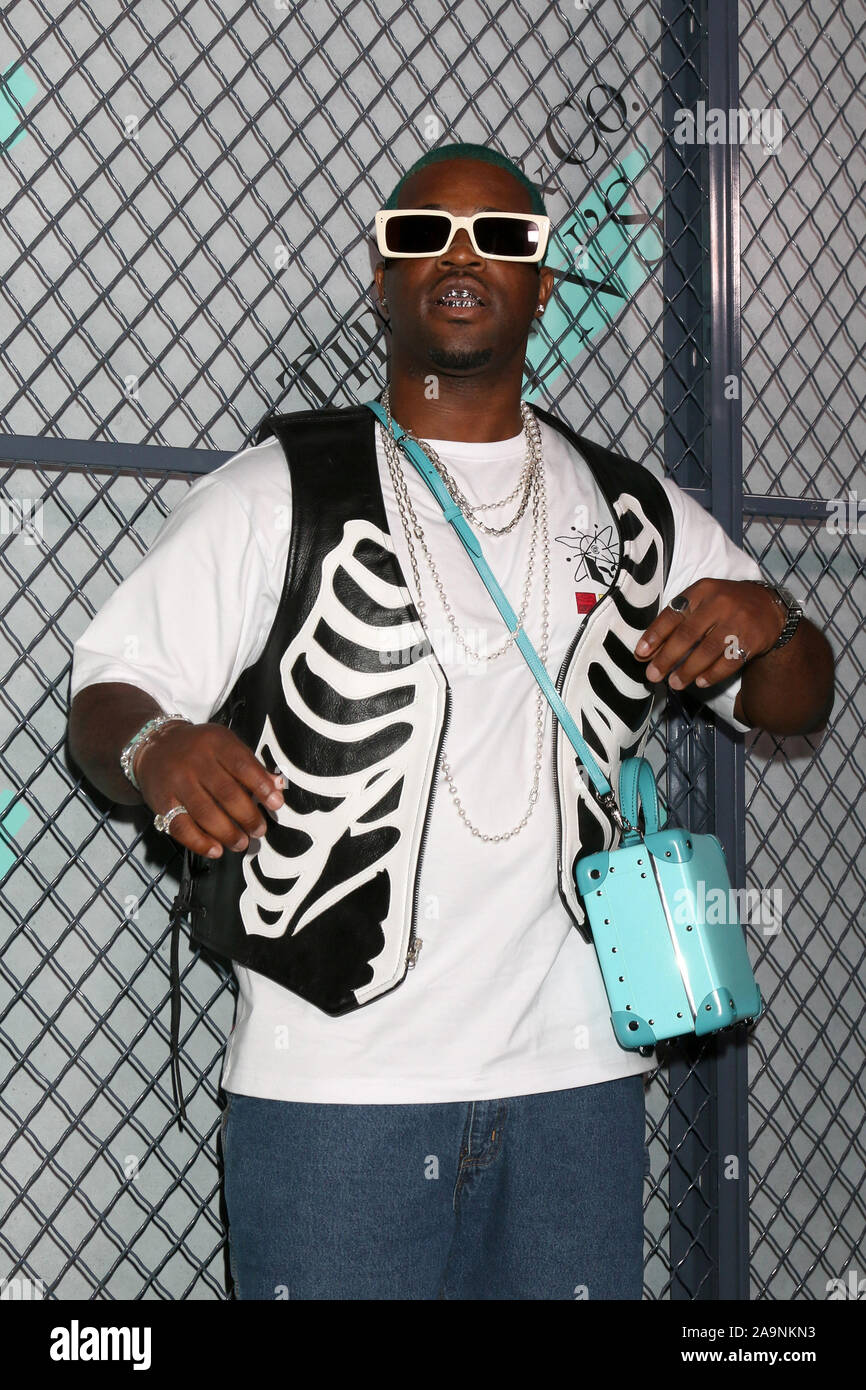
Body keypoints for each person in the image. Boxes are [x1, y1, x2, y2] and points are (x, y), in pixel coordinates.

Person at [67, 142, 834, 1301]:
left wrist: (768, 619)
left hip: (578, 1081)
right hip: (337, 1094)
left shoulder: (629, 508)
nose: (461, 256)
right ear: (382, 277)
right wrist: (154, 745)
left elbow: (798, 693)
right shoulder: (275, 488)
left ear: (540, 282)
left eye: (502, 238)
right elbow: (106, 693)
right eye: (423, 234)